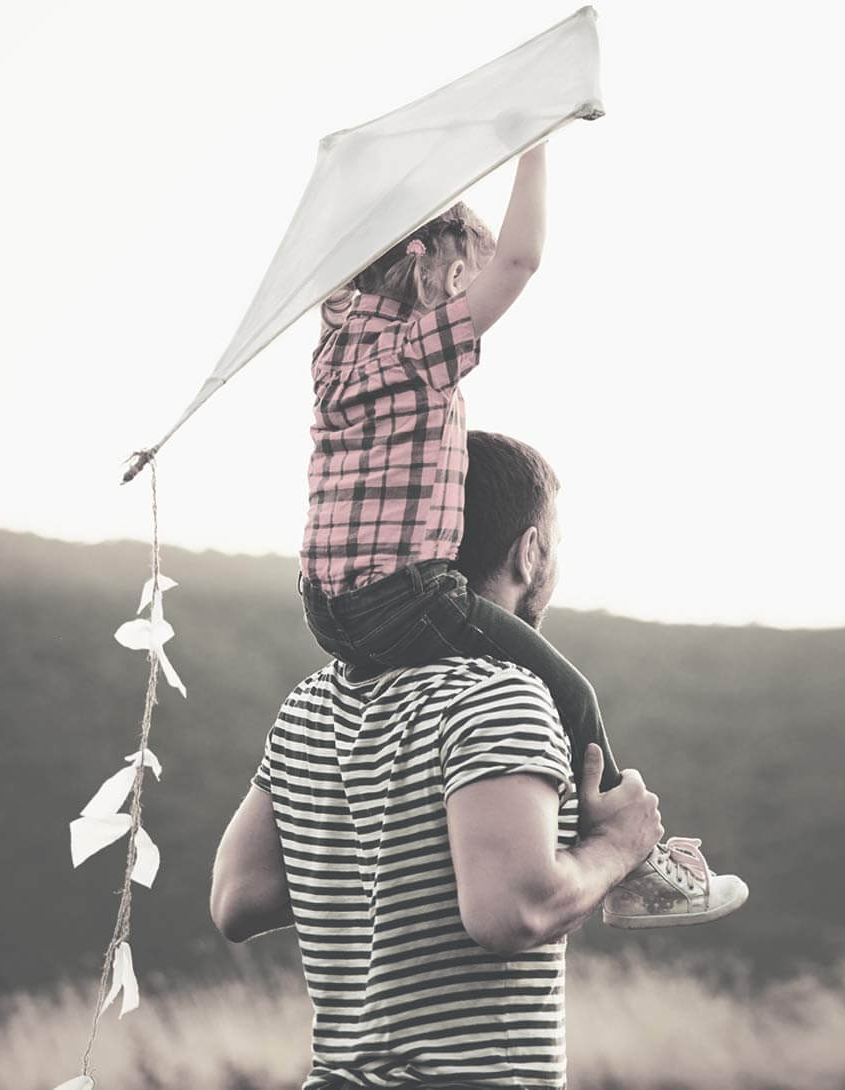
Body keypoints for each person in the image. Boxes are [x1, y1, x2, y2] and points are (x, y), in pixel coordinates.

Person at [211, 432, 749, 1088]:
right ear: (530, 553)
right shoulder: (498, 691)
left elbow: (239, 899)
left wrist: (395, 854)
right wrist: (616, 848)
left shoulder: (311, 703)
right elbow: (509, 914)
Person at [298, 143, 742, 923]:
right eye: (464, 276)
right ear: (430, 269)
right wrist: (533, 145)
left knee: (399, 709)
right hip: (404, 595)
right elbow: (523, 260)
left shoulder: (332, 353)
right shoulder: (415, 351)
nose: (474, 292)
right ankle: (630, 863)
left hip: (325, 610)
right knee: (568, 692)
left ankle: (508, 829)